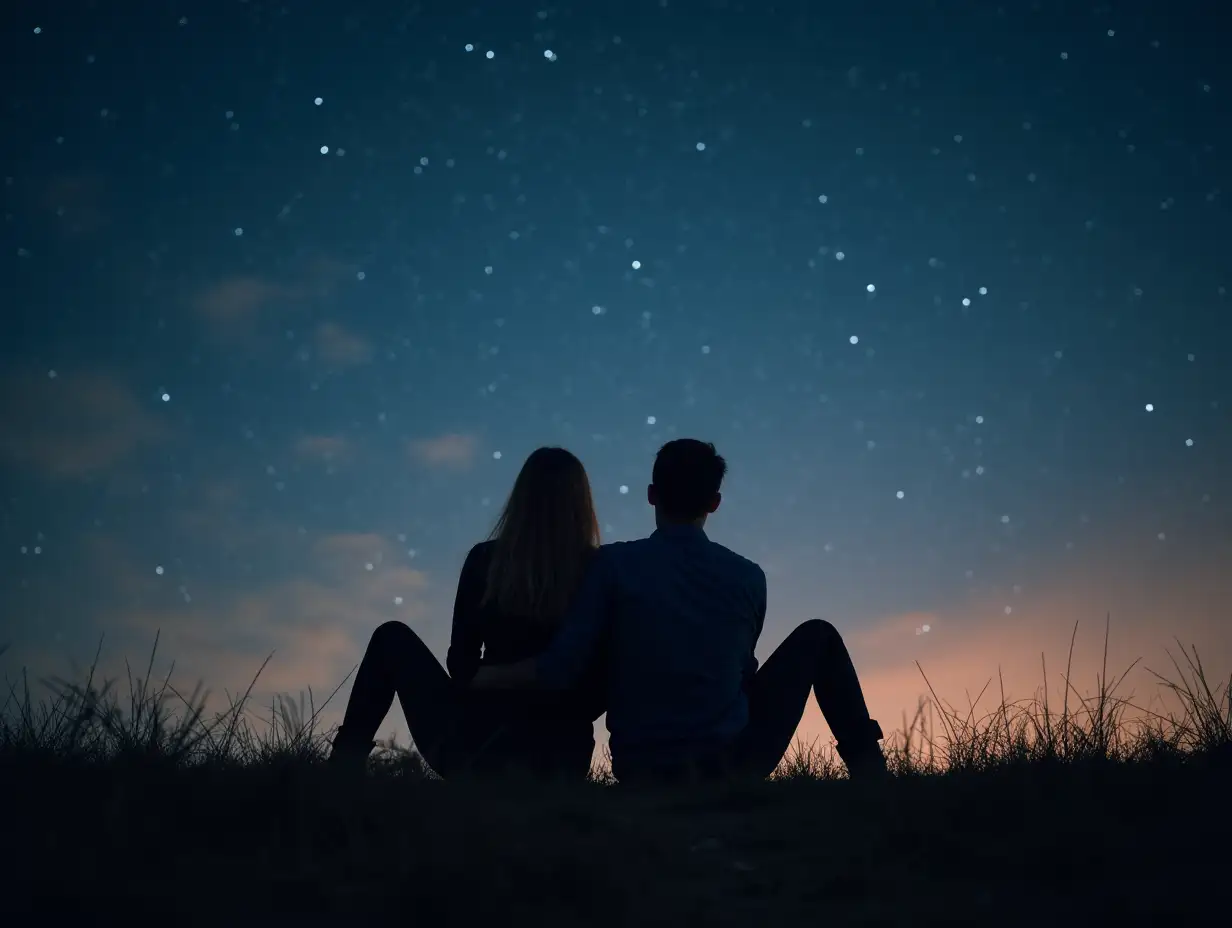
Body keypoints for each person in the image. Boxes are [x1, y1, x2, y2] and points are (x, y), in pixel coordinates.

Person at [472, 438, 888, 785]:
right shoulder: (748, 577)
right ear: (715, 502)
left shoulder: (612, 566)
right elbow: (742, 672)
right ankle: (871, 772)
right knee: (817, 637)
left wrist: (489, 675)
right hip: (731, 765)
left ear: (652, 495)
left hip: (641, 768)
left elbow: (563, 666)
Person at [329, 446, 606, 780]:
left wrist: (498, 677)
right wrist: (544, 678)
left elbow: (462, 668)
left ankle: (342, 767)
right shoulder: (599, 571)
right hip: (560, 759)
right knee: (392, 637)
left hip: (475, 748)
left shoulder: (486, 561)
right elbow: (598, 691)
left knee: (392, 638)